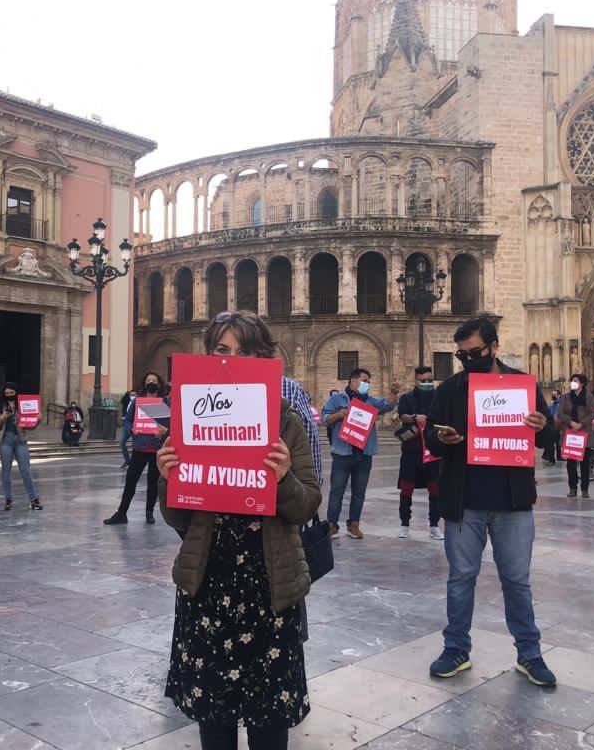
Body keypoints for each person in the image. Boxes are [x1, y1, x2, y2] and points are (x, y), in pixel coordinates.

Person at [156, 310, 320, 750]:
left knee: (269, 725)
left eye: (246, 351)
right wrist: (168, 480)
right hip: (208, 586)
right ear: (209, 355)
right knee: (215, 723)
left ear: (264, 358)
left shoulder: (287, 421)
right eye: (222, 350)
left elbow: (306, 506)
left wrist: (284, 477)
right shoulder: (189, 417)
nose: (233, 359)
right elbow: (178, 520)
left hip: (269, 591)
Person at [425, 317, 557, 689]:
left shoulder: (521, 385)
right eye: (462, 355)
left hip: (512, 503)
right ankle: (455, 649)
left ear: (494, 347)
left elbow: (549, 436)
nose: (468, 360)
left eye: (475, 353)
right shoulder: (450, 389)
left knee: (517, 581)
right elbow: (431, 436)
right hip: (464, 502)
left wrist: (540, 424)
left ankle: (529, 654)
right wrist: (443, 440)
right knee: (460, 579)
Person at [322, 369, 399, 539]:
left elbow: (388, 405)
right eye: (365, 380)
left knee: (359, 491)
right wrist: (340, 414)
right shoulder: (337, 399)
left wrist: (394, 392)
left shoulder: (370, 401)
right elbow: (324, 418)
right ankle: (332, 525)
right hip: (343, 453)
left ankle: (354, 524)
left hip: (364, 454)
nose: (367, 384)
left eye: (369, 382)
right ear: (353, 381)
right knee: (337, 491)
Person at [104, 373, 167, 525]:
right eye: (148, 380)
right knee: (130, 481)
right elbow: (128, 420)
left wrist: (165, 431)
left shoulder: (165, 402)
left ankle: (149, 513)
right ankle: (121, 513)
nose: (151, 383)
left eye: (154, 381)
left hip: (156, 449)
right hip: (140, 448)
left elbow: (170, 422)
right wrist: (132, 429)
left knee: (153, 483)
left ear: (159, 384)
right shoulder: (138, 402)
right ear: (144, 384)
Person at [396, 366, 443, 540]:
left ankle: (434, 525)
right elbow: (402, 416)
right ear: (416, 380)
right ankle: (405, 524)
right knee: (406, 489)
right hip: (411, 450)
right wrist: (415, 417)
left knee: (435, 489)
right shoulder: (407, 398)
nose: (427, 383)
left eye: (430, 380)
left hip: (432, 450)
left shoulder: (438, 397)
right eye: (423, 380)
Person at [0, 382, 42, 512]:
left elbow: (31, 426)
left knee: (26, 469)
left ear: (16, 393)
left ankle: (33, 499)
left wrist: (37, 420)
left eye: (11, 393)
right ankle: (8, 499)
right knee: (6, 471)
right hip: (5, 440)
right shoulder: (0, 407)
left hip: (20, 440)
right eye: (6, 393)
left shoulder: (23, 406)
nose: (9, 395)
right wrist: (3, 417)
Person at [555, 373, 594, 499]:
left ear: (582, 383)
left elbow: (592, 413)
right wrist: (571, 422)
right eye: (572, 380)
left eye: (575, 380)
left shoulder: (589, 397)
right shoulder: (566, 397)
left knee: (585, 463)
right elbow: (560, 413)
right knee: (571, 463)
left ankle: (585, 489)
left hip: (584, 433)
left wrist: (581, 424)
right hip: (570, 432)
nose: (573, 383)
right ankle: (572, 487)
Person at [542, 390, 562, 466]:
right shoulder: (552, 403)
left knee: (558, 442)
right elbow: (550, 413)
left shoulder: (561, 403)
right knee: (551, 443)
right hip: (551, 425)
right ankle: (551, 458)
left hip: (558, 425)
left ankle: (558, 456)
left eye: (555, 394)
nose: (553, 396)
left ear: (559, 395)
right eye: (552, 394)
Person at [119, 390, 135, 468]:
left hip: (134, 425)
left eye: (134, 395)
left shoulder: (137, 403)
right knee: (122, 442)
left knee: (135, 444)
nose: (132, 396)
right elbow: (122, 402)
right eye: (131, 394)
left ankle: (134, 461)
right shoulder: (126, 401)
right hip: (126, 424)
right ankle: (127, 461)